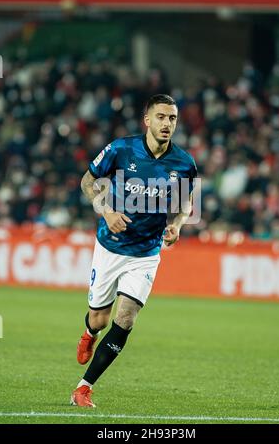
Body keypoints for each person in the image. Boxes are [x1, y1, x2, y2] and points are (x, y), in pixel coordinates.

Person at [70, 94, 197, 407]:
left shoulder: (183, 163)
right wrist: (107, 211)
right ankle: (89, 332)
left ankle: (83, 388)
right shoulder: (121, 149)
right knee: (99, 320)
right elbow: (88, 181)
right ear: (148, 120)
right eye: (162, 117)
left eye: (172, 118)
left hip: (146, 254)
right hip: (110, 248)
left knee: (125, 319)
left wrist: (178, 225)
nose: (167, 124)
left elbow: (185, 202)